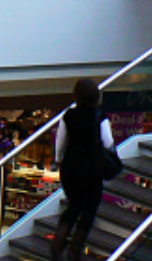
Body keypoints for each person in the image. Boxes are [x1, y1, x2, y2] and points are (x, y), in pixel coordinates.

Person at [50, 78, 114, 261]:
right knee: (89, 209)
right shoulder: (99, 116)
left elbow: (60, 142)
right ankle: (75, 251)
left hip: (70, 167)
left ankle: (57, 242)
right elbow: (108, 143)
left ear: (76, 96)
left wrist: (58, 160)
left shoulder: (68, 116)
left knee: (74, 205)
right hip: (91, 168)